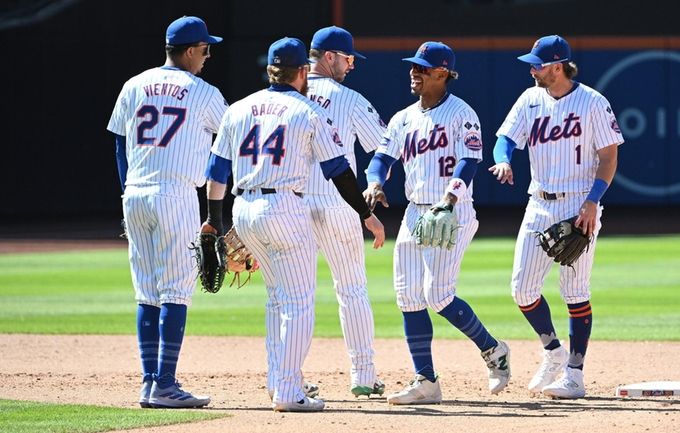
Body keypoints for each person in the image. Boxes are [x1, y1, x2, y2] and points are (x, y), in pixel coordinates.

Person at [201, 37, 386, 412]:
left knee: (276, 297)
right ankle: (300, 387)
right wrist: (366, 213)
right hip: (290, 206)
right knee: (306, 301)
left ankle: (278, 379)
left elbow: (216, 171)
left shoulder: (238, 108)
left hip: (245, 207)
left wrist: (212, 223)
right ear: (304, 70)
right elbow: (339, 170)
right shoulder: (308, 110)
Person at [364, 41, 511, 405]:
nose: (415, 72)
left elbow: (469, 162)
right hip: (415, 212)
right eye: (413, 67)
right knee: (408, 296)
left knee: (438, 295)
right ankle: (425, 381)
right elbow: (381, 157)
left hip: (452, 210)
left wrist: (449, 200)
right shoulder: (403, 118)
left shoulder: (463, 113)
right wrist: (375, 182)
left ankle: (494, 350)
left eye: (423, 68)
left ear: (443, 74)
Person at [489, 35, 623, 399]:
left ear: (558, 65)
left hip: (579, 202)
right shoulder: (529, 99)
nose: (532, 69)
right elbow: (505, 138)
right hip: (539, 202)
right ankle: (553, 352)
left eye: (538, 64)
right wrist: (503, 158)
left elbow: (609, 157)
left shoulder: (592, 102)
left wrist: (593, 202)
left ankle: (575, 374)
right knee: (521, 288)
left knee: (575, 290)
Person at [106, 16, 227, 408]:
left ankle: (149, 382)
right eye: (205, 49)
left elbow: (120, 145)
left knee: (147, 293)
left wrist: (128, 192)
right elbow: (230, 144)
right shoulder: (204, 93)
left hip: (135, 194)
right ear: (190, 50)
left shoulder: (133, 84)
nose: (207, 56)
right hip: (174, 195)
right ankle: (166, 384)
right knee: (176, 292)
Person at [273, 25, 385, 398]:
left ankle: (283, 377)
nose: (353, 65)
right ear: (330, 57)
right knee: (351, 289)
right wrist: (373, 183)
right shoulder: (349, 99)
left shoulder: (280, 99)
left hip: (288, 206)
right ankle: (364, 376)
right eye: (349, 57)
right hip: (338, 203)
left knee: (287, 296)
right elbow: (384, 146)